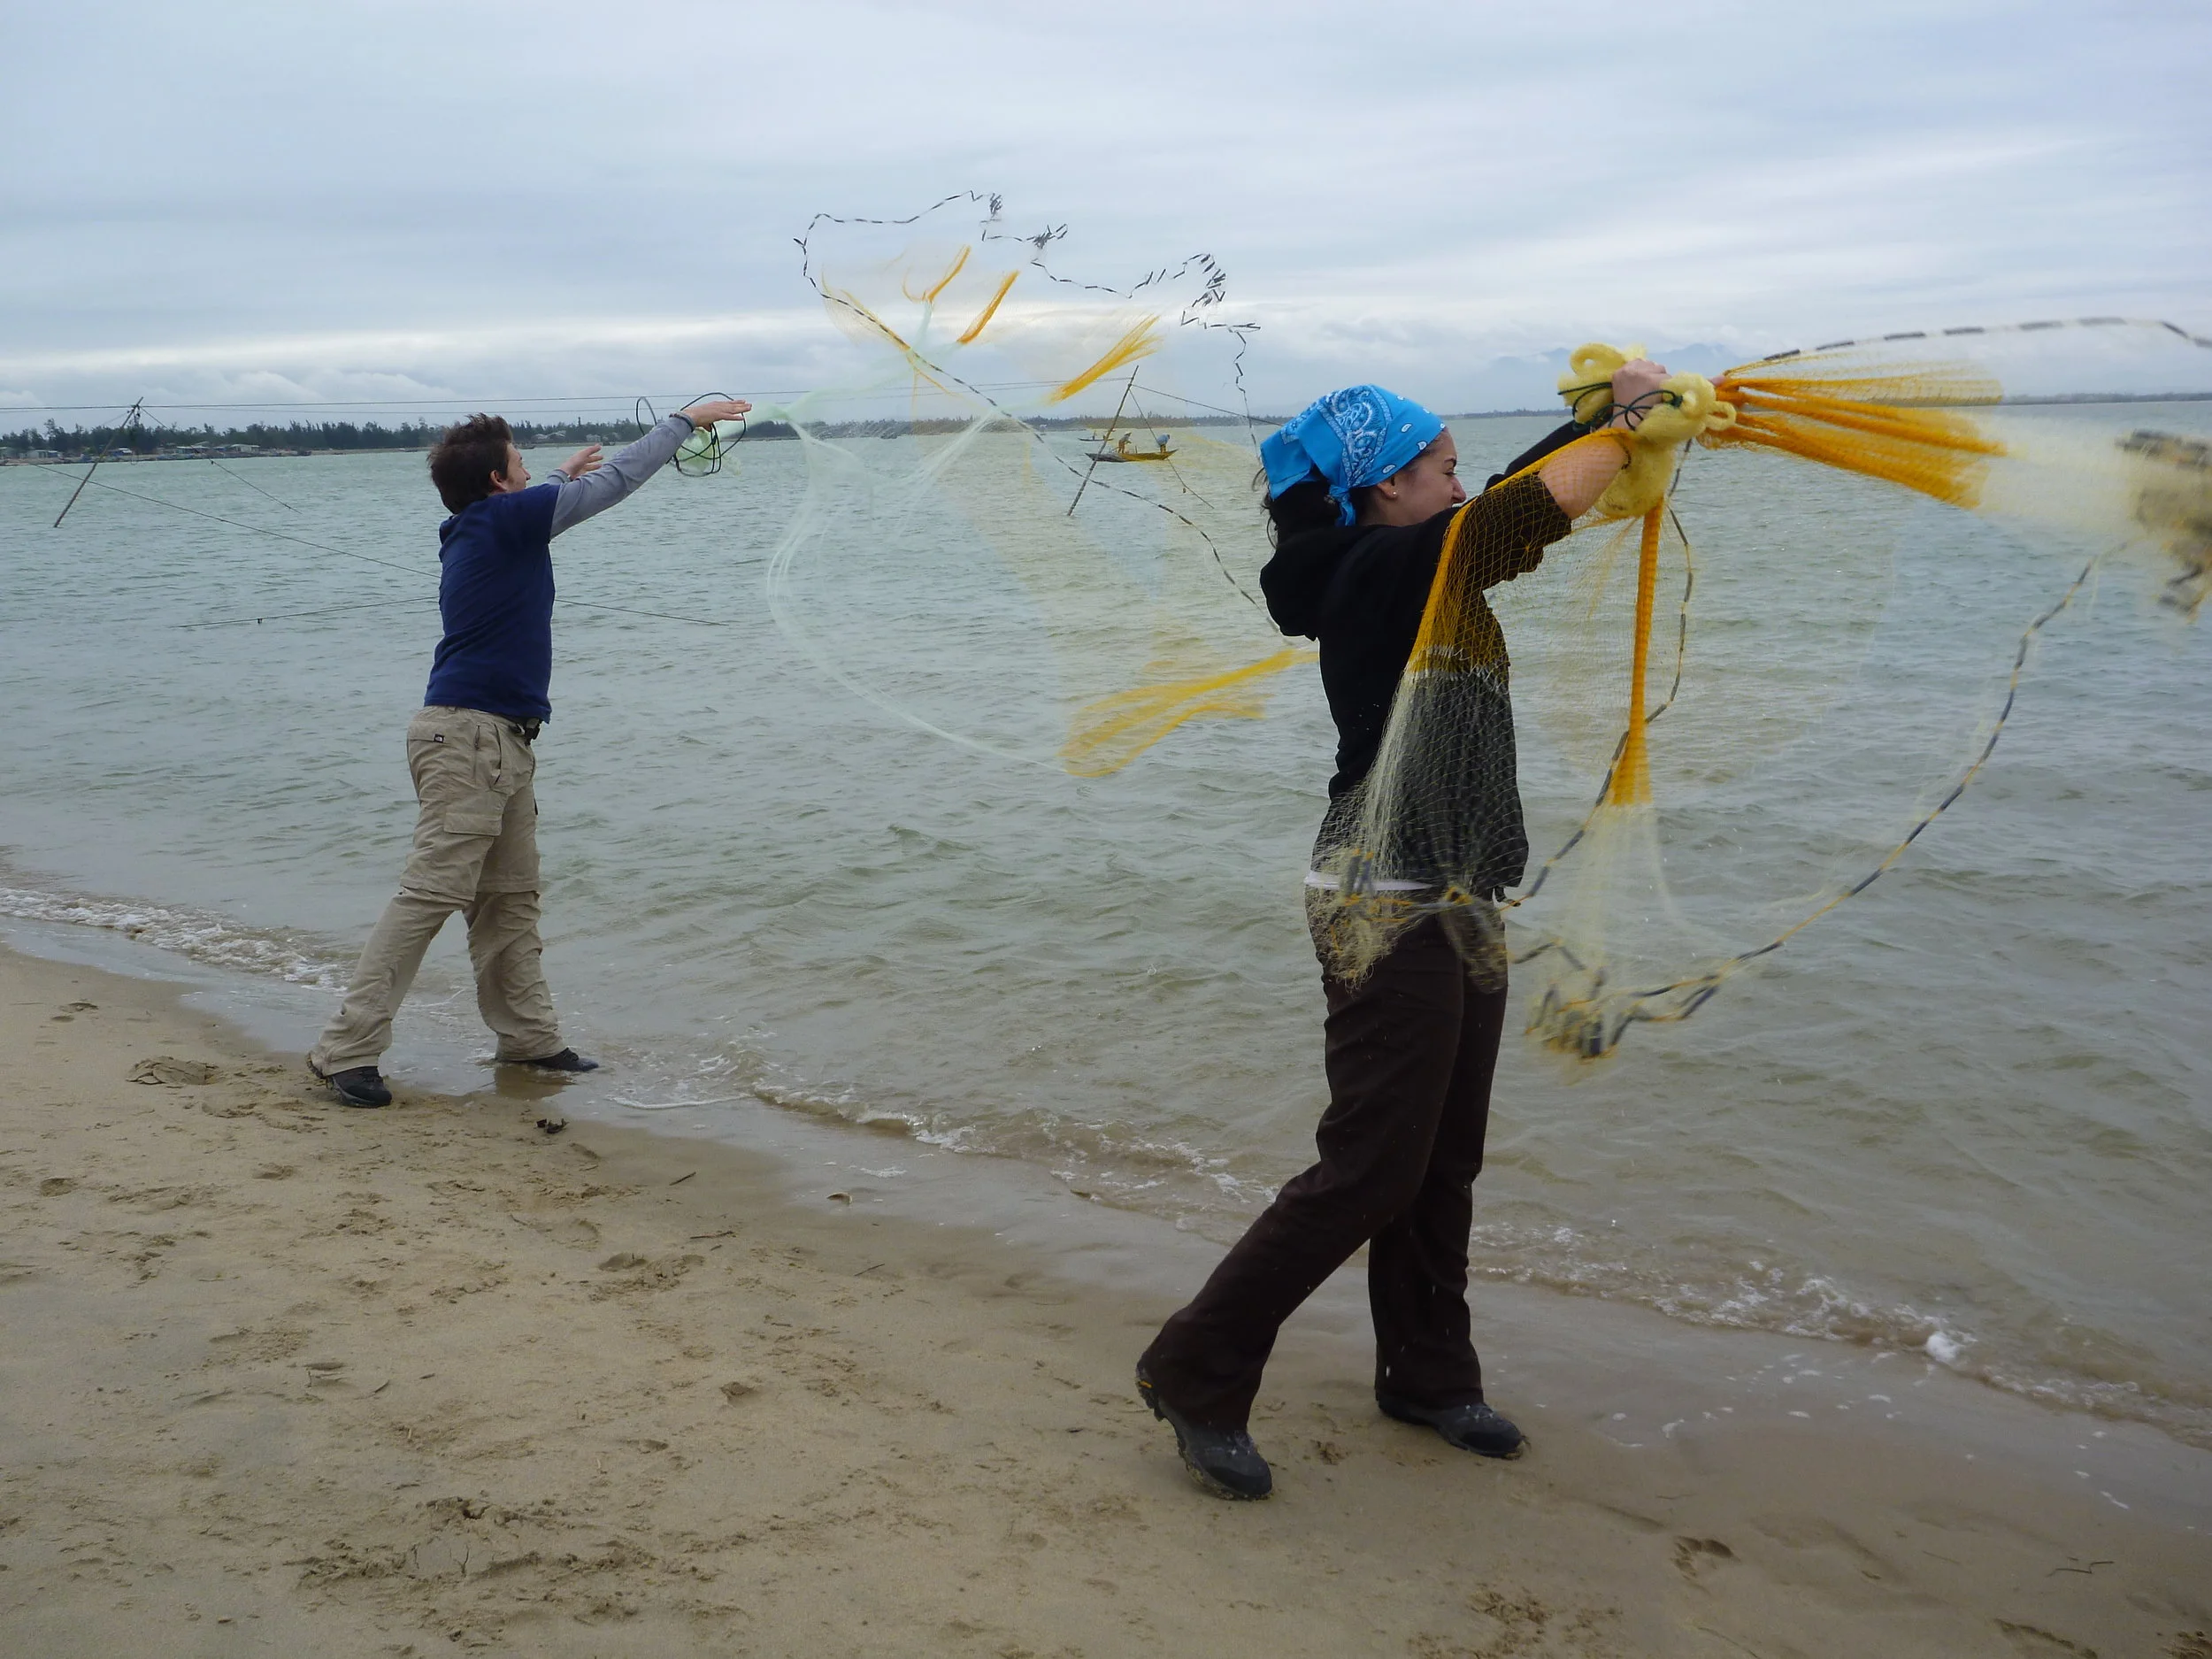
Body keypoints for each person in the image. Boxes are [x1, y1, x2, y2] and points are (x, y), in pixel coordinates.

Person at [1134, 358, 1670, 1499]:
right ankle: (1194, 1365)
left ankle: (1428, 1375)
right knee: (1372, 1167)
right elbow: (1515, 516)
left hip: (1460, 893)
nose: (1457, 478)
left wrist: (1587, 427)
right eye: (1439, 465)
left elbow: (1506, 506)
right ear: (1383, 488)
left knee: (1441, 1161)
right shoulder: (1382, 569)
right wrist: (1624, 426)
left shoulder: (1415, 557)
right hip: (1384, 903)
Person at [308, 400, 751, 1108]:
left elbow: (544, 494)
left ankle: (529, 1040)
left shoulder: (485, 521)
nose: (528, 470)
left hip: (500, 740)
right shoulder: (504, 519)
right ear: (497, 482)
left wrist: (552, 474)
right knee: (430, 896)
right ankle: (346, 1049)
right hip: (468, 739)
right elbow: (617, 482)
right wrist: (684, 422)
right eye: (519, 462)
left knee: (509, 900)